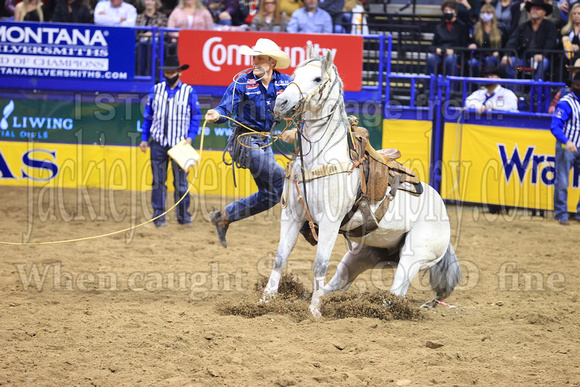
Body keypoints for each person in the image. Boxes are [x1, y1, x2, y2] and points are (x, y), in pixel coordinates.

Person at [204, 38, 294, 248]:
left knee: (271, 195)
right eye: (254, 58)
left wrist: (296, 128)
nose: (255, 62)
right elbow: (226, 109)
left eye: (260, 58)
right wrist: (216, 113)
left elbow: (301, 105)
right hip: (244, 142)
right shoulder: (242, 82)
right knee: (283, 178)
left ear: (272, 62)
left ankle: (224, 216)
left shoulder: (286, 83)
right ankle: (307, 226)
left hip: (264, 143)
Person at [139, 56, 201, 227]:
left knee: (181, 183)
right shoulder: (155, 90)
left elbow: (196, 116)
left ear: (180, 72)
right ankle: (159, 218)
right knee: (158, 182)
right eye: (167, 72)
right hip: (157, 142)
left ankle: (183, 217)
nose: (170, 74)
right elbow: (148, 116)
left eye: (172, 71)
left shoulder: (189, 92)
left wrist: (190, 137)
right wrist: (144, 138)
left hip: (181, 144)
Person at [550, 71, 580, 225]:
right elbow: (555, 126)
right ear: (574, 85)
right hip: (566, 146)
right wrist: (567, 141)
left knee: (563, 180)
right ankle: (561, 213)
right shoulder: (565, 103)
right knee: (562, 180)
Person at [502, 0, 559, 80]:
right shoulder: (523, 26)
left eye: (538, 9)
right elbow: (512, 40)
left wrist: (543, 55)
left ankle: (535, 90)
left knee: (544, 62)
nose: (535, 11)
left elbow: (551, 43)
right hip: (523, 58)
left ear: (544, 12)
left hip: (540, 59)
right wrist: (507, 55)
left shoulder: (550, 27)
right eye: (533, 9)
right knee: (508, 62)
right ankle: (515, 90)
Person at [426, 1, 472, 76]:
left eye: (450, 10)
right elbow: (433, 45)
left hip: (457, 54)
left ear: (456, 12)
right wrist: (436, 50)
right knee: (431, 58)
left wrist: (454, 51)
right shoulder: (439, 27)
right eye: (446, 10)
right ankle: (429, 86)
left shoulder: (462, 26)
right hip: (441, 53)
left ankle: (452, 86)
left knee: (450, 59)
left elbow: (464, 45)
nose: (448, 12)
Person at [468, 4, 506, 76]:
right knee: (472, 63)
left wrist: (499, 52)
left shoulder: (500, 28)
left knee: (490, 60)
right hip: (479, 56)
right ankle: (475, 85)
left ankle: (489, 84)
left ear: (493, 15)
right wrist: (472, 47)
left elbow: (504, 44)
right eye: (483, 13)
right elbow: (472, 44)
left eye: (488, 13)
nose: (485, 15)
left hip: (494, 56)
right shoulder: (476, 28)